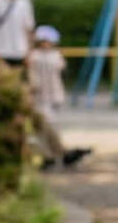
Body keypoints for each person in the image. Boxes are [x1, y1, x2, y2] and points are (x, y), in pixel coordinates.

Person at [24, 26, 90, 168]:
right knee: (44, 126)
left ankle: (53, 154)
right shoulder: (36, 56)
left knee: (48, 125)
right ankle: (55, 153)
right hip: (40, 95)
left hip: (53, 95)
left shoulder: (51, 56)